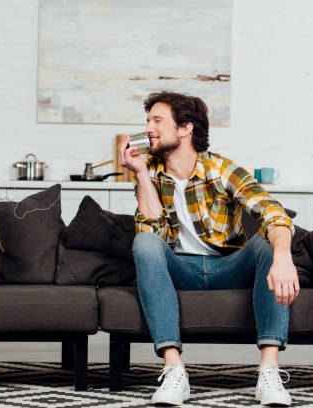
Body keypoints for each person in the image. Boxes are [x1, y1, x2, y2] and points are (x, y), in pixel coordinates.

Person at [118, 92, 298, 406]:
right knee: (144, 242)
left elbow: (273, 212)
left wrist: (283, 257)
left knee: (269, 240)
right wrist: (141, 175)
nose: (148, 128)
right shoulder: (151, 171)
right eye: (148, 121)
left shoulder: (221, 169)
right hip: (182, 270)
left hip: (229, 267)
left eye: (157, 120)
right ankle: (174, 369)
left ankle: (268, 370)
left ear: (185, 128)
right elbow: (151, 232)